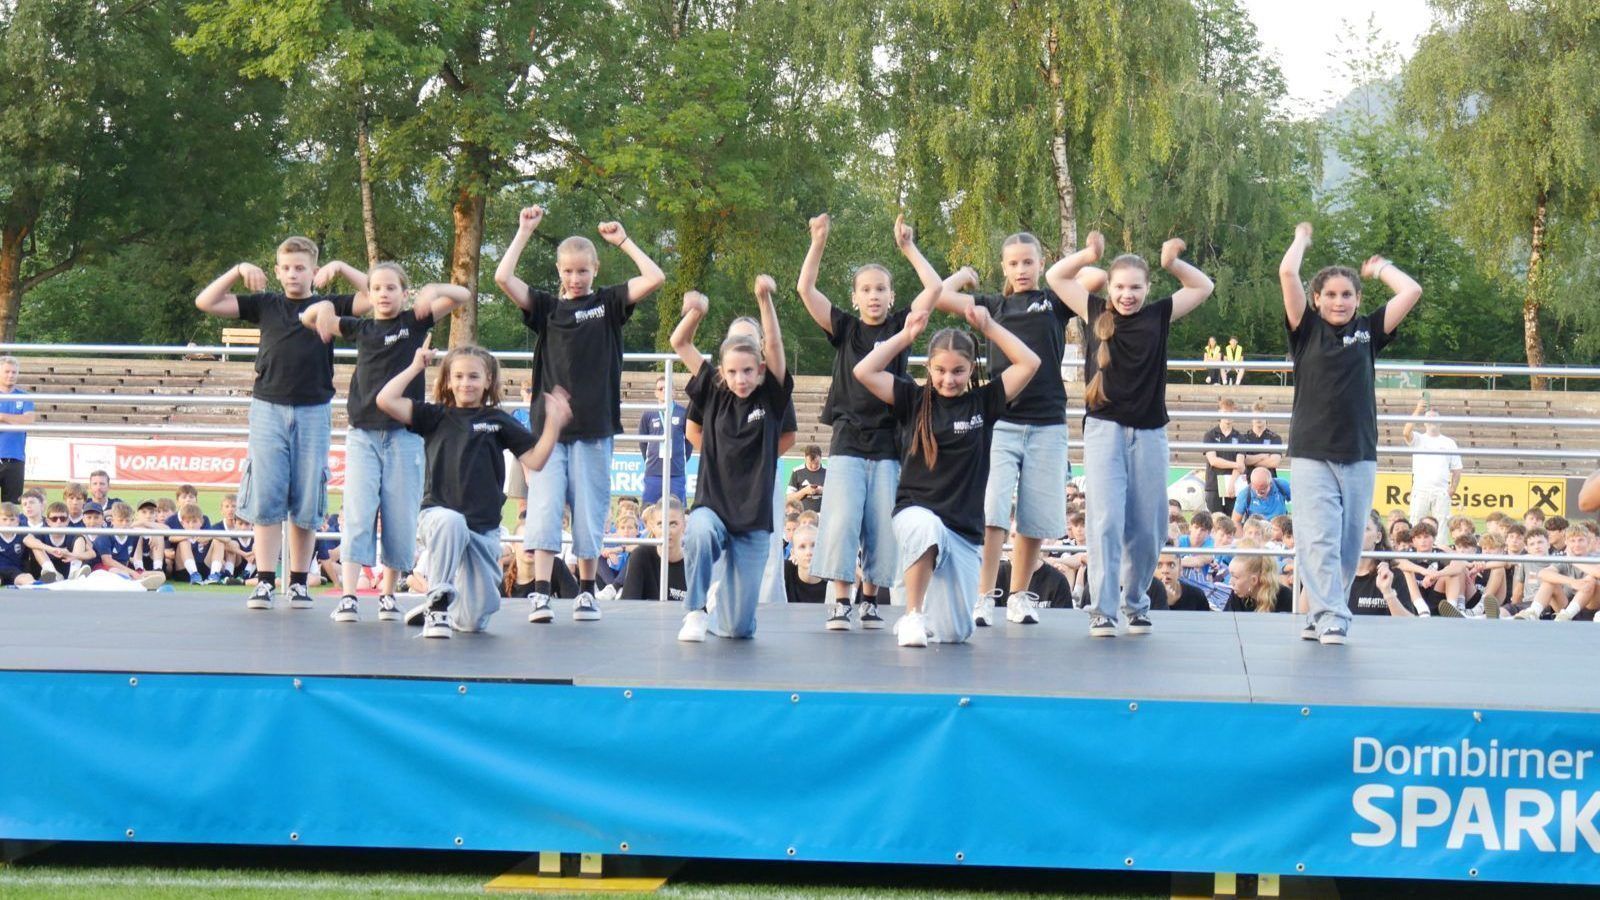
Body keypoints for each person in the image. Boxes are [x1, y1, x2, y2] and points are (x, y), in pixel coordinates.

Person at [494, 205, 665, 625]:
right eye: (568, 271)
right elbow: (503, 278)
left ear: (595, 270)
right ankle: (540, 594)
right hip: (549, 435)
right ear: (559, 270)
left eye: (583, 271)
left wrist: (623, 241)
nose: (575, 278)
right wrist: (523, 232)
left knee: (589, 513)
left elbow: (654, 277)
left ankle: (587, 593)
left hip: (595, 429)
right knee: (545, 510)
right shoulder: (547, 308)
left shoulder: (607, 304)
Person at [1046, 232, 1215, 637]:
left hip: (1150, 432)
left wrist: (1172, 263)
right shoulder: (1093, 310)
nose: (1127, 295)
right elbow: (1055, 277)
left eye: (1135, 287)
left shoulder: (1158, 315)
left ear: (1147, 288)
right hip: (1104, 429)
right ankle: (1102, 610)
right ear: (1109, 287)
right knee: (1104, 522)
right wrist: (1089, 254)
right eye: (1120, 287)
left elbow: (1203, 286)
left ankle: (1135, 601)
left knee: (1150, 527)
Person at [854, 290, 1041, 647]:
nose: (949, 379)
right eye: (940, 370)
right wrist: (906, 336)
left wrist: (989, 327)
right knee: (927, 528)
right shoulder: (912, 398)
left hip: (962, 531)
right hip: (915, 514)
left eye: (958, 371)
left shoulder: (983, 402)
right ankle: (912, 614)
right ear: (929, 368)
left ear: (972, 369)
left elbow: (1029, 363)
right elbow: (864, 371)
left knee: (956, 634)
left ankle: (932, 609)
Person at [196, 238, 371, 610]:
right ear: (277, 271)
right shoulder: (267, 304)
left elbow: (374, 295)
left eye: (301, 268)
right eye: (287, 268)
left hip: (313, 409)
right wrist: (238, 270)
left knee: (307, 499)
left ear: (314, 271)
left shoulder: (330, 305)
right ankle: (264, 581)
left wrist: (341, 267)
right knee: (267, 497)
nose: (293, 274)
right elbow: (206, 302)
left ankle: (298, 583)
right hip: (268, 408)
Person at [795, 214, 941, 631]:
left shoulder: (900, 327)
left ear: (891, 297)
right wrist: (818, 241)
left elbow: (934, 288)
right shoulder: (845, 328)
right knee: (842, 520)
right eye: (866, 289)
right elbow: (805, 289)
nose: (873, 295)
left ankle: (870, 599)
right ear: (855, 297)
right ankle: (841, 600)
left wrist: (908, 247)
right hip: (847, 439)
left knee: (881, 522)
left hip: (888, 441)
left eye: (880, 289)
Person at [1279, 222, 1422, 644]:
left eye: (1347, 295)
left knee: (1347, 543)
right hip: (1312, 450)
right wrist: (1301, 239)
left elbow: (1411, 291)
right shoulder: (1306, 329)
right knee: (1317, 538)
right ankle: (1331, 615)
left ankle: (1323, 611)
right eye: (1330, 294)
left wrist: (1380, 268)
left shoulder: (1368, 331)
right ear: (1316, 299)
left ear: (1358, 300)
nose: (1338, 301)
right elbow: (1287, 273)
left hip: (1358, 452)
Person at [379, 345, 569, 639]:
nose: (465, 383)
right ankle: (437, 608)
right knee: (452, 521)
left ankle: (441, 606)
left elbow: (536, 460)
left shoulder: (497, 421)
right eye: (458, 376)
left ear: (488, 380)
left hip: (483, 529)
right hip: (439, 517)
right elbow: (386, 399)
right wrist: (416, 366)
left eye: (473, 376)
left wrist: (554, 424)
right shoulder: (435, 415)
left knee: (474, 620)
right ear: (448, 381)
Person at [313, 263, 466, 624]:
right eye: (377, 289)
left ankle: (388, 594)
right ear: (369, 295)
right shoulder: (361, 327)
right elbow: (313, 317)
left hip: (404, 435)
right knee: (358, 513)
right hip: (363, 434)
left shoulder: (415, 321)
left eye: (391, 288)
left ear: (404, 293)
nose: (383, 294)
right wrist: (326, 302)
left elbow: (462, 295)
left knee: (400, 515)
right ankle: (349, 595)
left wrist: (433, 289)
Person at [671, 280, 792, 642]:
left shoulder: (771, 397)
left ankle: (726, 605)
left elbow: (774, 344)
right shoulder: (713, 391)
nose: (741, 379)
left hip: (752, 520)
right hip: (714, 508)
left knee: (737, 629)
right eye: (733, 372)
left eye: (748, 371)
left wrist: (763, 298)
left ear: (761, 369)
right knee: (699, 532)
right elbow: (680, 342)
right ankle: (695, 609)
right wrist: (697, 312)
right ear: (722, 372)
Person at [1403, 400, 1462, 524]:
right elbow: (1406, 432)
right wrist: (1418, 410)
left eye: (1435, 417)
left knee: (1442, 528)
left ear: (1440, 422)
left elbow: (1457, 469)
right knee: (1415, 526)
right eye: (1429, 417)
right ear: (1424, 422)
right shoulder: (1418, 439)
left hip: (1441, 492)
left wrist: (1452, 489)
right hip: (1420, 490)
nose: (1432, 420)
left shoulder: (1449, 443)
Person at [1347, 512, 1415, 617]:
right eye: (1354, 528)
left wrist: (1388, 592)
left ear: (1378, 537)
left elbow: (1408, 622)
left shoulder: (1392, 575)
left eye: (1365, 529)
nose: (1358, 533)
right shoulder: (1335, 575)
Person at [619, 498, 686, 602]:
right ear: (653, 527)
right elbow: (629, 604)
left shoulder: (695, 564)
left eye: (673, 524)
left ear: (684, 526)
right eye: (660, 524)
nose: (666, 531)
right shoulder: (641, 556)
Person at [638, 375, 690, 505]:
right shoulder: (648, 414)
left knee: (677, 509)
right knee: (649, 509)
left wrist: (681, 459)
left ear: (674, 391)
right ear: (656, 393)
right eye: (660, 389)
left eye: (667, 388)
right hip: (654, 472)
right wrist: (650, 459)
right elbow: (643, 441)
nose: (664, 391)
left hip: (676, 472)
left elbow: (688, 442)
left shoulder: (683, 413)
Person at [92, 502, 165, 590]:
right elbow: (107, 561)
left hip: (124, 569)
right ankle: (136, 583)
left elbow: (127, 559)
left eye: (127, 521)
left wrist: (152, 535)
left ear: (132, 521)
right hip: (102, 569)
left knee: (160, 575)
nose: (124, 524)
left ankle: (136, 582)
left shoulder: (133, 536)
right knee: (118, 572)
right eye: (120, 520)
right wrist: (132, 572)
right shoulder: (105, 535)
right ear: (112, 520)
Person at [26, 500, 90, 581]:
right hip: (46, 574)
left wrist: (72, 555)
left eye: (62, 519)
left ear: (67, 521)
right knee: (36, 545)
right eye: (54, 519)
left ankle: (74, 573)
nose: (58, 522)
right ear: (48, 521)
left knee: (80, 539)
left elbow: (92, 553)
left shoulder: (74, 533)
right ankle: (52, 573)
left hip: (68, 571)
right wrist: (51, 549)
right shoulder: (42, 532)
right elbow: (27, 540)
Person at [0, 357, 35, 504]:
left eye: (14, 372)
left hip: (15, 459)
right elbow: (22, 419)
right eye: (7, 371)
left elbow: (28, 420)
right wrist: (15, 419)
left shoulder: (24, 397)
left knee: (11, 508)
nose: (11, 375)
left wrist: (2, 416)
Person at [1202, 398, 1245, 514]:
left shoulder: (1240, 437)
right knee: (1214, 521)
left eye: (1231, 412)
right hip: (1214, 487)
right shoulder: (1210, 435)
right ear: (1219, 412)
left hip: (1234, 487)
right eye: (1225, 412)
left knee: (1233, 522)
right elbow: (1213, 461)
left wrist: (1231, 484)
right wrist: (1236, 465)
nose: (1228, 415)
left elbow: (1240, 464)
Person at [1222, 551, 1293, 613]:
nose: (1230, 582)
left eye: (1235, 577)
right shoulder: (1237, 594)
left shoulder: (1286, 598)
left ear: (1254, 580)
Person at [783, 524, 828, 604]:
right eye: (802, 547)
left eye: (814, 545)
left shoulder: (834, 580)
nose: (809, 552)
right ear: (793, 553)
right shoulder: (783, 572)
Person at [1243, 402, 1284, 476]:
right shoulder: (1243, 438)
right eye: (1256, 416)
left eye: (1261, 415)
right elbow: (1243, 460)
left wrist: (1251, 461)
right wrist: (1262, 456)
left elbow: (1274, 462)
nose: (1258, 419)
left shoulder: (1275, 438)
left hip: (1269, 480)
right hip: (1249, 479)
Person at [786, 445, 827, 515]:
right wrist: (805, 491)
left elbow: (836, 495)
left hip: (823, 515)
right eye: (810, 464)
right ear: (805, 458)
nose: (814, 466)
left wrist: (823, 490)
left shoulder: (828, 471)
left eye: (817, 463)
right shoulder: (797, 471)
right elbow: (789, 499)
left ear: (821, 458)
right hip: (802, 515)